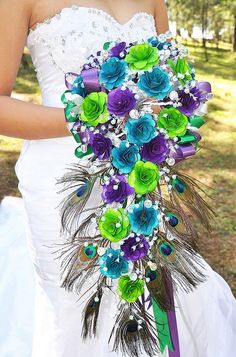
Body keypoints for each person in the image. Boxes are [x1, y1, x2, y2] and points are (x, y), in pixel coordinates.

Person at [0, 1, 235, 356]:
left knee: (149, 288)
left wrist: (174, 115)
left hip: (140, 178)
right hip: (63, 182)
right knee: (76, 309)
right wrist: (93, 118)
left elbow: (174, 75)